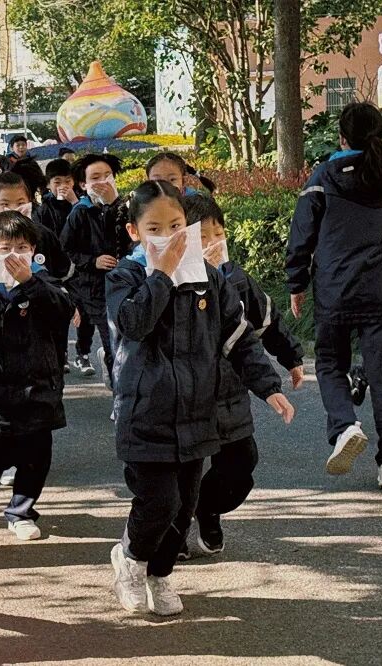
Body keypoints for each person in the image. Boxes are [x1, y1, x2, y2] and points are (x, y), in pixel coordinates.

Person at [106, 179, 295, 616]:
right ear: (134, 232)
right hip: (145, 413)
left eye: (176, 226)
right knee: (159, 501)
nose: (168, 236)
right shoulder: (125, 276)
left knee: (183, 506)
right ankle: (130, 558)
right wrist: (161, 275)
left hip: (197, 414)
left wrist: (268, 387)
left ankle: (160, 574)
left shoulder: (208, 278)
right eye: (155, 228)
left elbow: (238, 336)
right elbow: (133, 324)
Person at [180, 194, 305, 557]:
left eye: (218, 234)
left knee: (240, 464)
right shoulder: (170, 282)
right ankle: (172, 534)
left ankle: (206, 508)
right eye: (202, 237)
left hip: (229, 393)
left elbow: (265, 320)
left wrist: (291, 357)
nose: (213, 244)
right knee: (180, 472)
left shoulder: (236, 278)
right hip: (184, 395)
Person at [286, 101, 382, 488]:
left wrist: (296, 283)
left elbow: (302, 234)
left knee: (331, 363)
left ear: (341, 137)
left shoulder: (324, 176)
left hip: (334, 290)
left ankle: (345, 426)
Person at [0, 212, 74, 541]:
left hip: (39, 386)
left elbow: (63, 312)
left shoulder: (43, 281)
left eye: (22, 248)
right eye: (5, 248)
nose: (14, 255)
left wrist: (31, 283)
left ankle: (21, 512)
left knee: (36, 456)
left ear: (33, 250)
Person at [60, 153, 124, 385]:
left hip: (123, 282)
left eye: (108, 175)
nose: (103, 181)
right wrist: (92, 261)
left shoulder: (124, 207)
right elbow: (65, 249)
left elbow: (133, 236)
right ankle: (119, 391)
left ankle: (114, 367)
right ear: (83, 184)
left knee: (125, 339)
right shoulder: (80, 212)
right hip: (94, 287)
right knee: (111, 337)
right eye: (95, 177)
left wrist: (114, 205)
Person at [37, 158, 78, 237]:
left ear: (73, 182)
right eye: (57, 182)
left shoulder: (83, 202)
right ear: (48, 184)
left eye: (68, 181)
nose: (63, 186)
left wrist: (75, 203)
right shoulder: (43, 210)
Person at [145, 152, 216, 195]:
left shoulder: (195, 202)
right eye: (157, 180)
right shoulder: (144, 202)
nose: (164, 185)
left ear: (184, 181)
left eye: (172, 179)